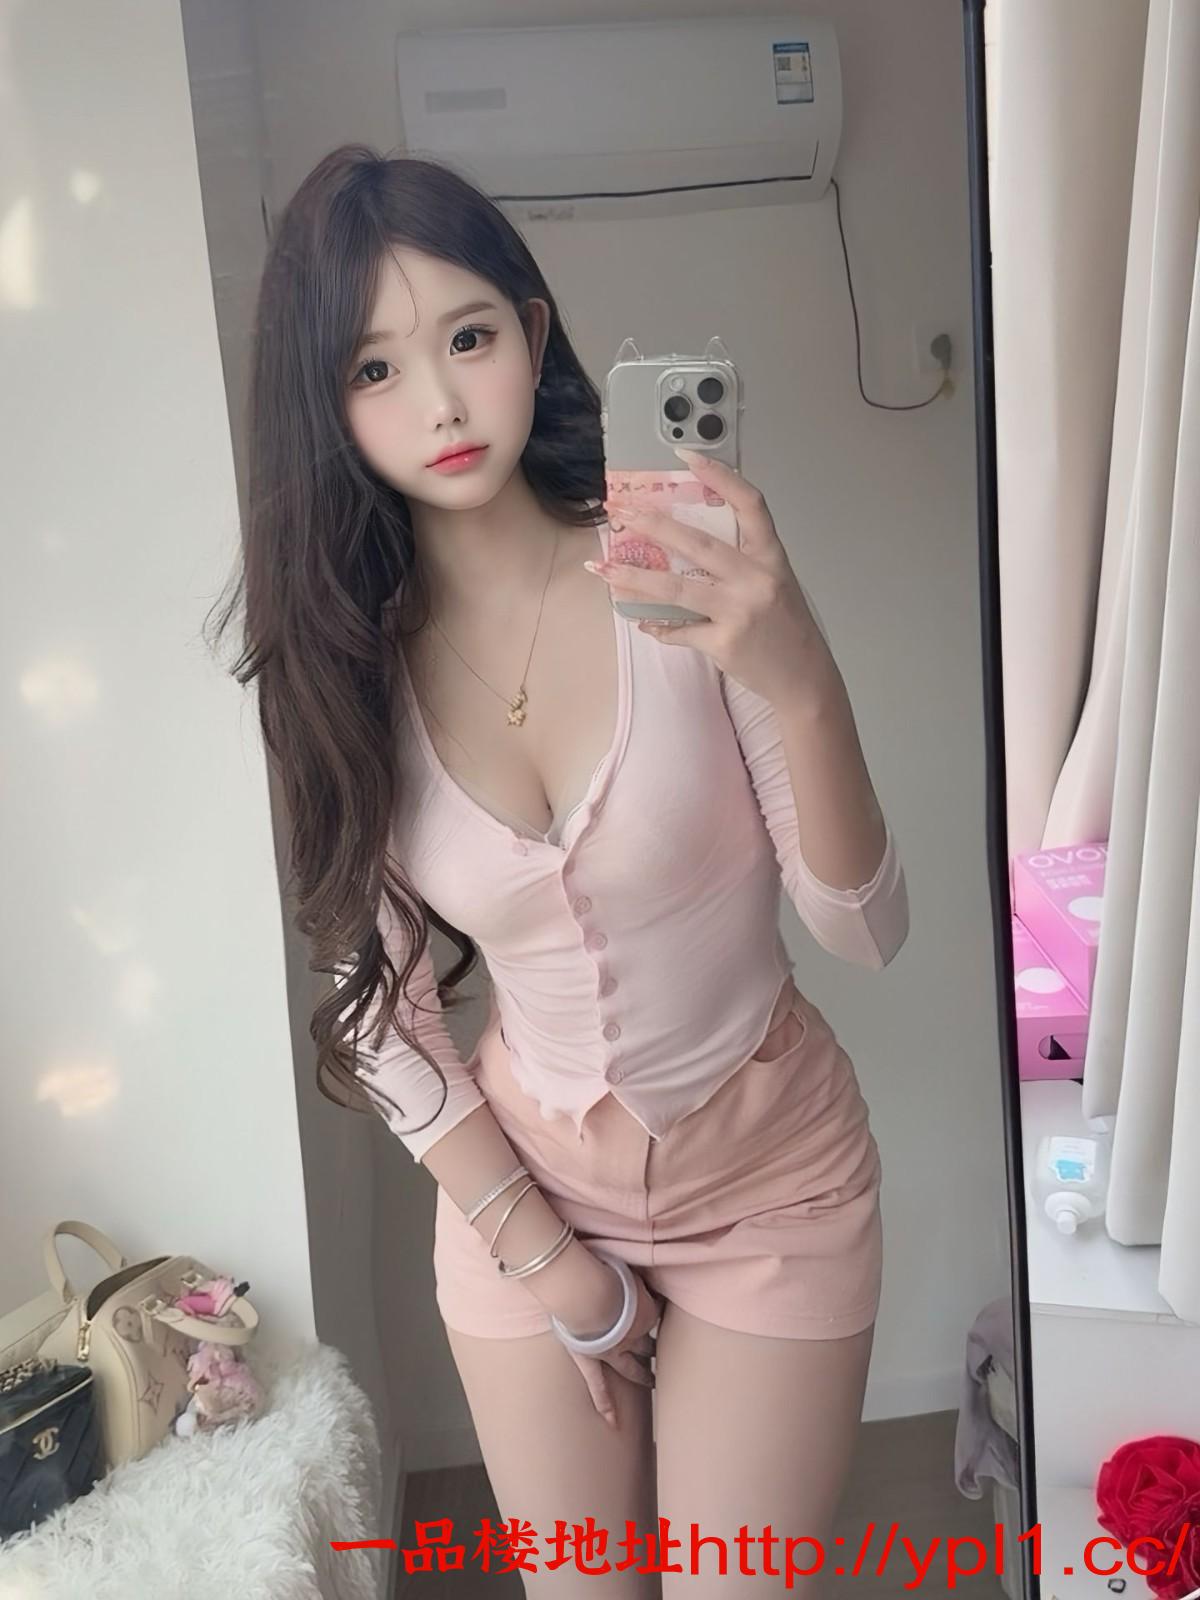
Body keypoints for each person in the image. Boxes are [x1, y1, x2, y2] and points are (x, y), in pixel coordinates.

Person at [219, 144, 909, 1597]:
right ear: (325, 409)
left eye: (468, 338)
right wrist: (553, 1265)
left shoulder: (674, 577)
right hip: (524, 1200)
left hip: (773, 1189)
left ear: (534, 335)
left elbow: (866, 926)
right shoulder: (343, 680)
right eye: (376, 369)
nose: (442, 402)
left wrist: (801, 676)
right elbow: (386, 1023)